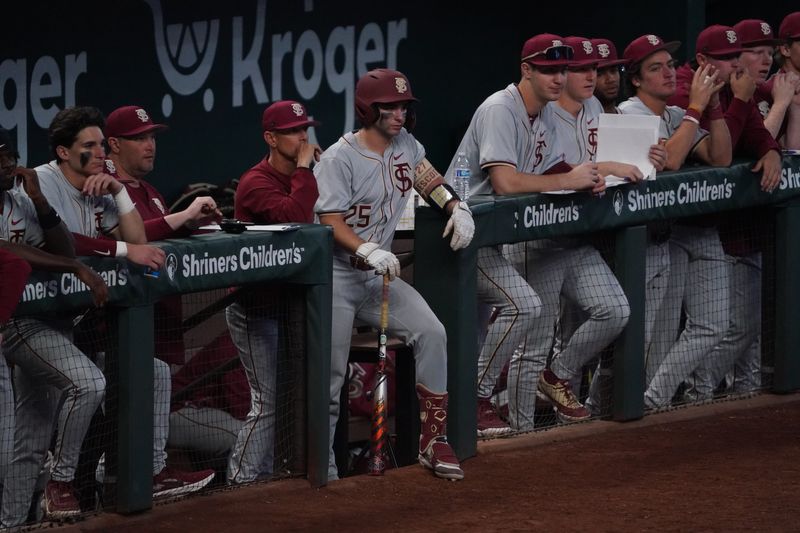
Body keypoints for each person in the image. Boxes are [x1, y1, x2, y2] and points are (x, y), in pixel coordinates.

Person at [34, 107, 213, 504]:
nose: (101, 153)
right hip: (33, 320)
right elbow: (61, 243)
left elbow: (137, 239)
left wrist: (118, 191)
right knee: (29, 438)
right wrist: (121, 249)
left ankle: (150, 473)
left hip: (73, 321)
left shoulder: (100, 186)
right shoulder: (42, 183)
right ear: (64, 152)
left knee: (154, 371)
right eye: (90, 146)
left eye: (101, 144)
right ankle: (43, 494)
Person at [315, 68, 474, 480]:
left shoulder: (406, 145)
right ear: (369, 108)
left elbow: (431, 181)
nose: (399, 113)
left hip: (377, 280)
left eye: (404, 106)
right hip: (336, 278)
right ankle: (323, 472)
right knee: (330, 381)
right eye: (390, 106)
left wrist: (455, 207)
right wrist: (366, 247)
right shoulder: (339, 157)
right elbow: (329, 219)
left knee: (433, 333)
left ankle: (433, 441)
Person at [447, 33, 608, 432]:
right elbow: (504, 181)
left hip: (491, 236)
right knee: (525, 306)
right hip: (457, 232)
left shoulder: (549, 113)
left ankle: (477, 401)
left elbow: (553, 172)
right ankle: (476, 397)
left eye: (562, 70)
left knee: (523, 310)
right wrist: (568, 179)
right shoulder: (501, 109)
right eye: (549, 70)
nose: (558, 79)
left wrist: (585, 179)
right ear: (527, 70)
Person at [544, 36, 668, 416]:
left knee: (614, 311)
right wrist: (608, 168)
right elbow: (552, 173)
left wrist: (645, 159)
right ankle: (519, 428)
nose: (591, 76)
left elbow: (600, 163)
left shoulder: (595, 106)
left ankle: (558, 380)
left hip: (579, 239)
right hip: (539, 238)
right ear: (562, 74)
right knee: (531, 341)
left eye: (594, 69)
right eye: (582, 69)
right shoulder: (546, 114)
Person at [0, 127, 109, 526]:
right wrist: (75, 267)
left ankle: (9, 525)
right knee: (90, 383)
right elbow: (9, 251)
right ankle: (60, 480)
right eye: (0, 156)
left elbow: (63, 247)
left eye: (9, 154)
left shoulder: (19, 200)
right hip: (14, 325)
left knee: (29, 441)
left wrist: (41, 201)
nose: (8, 163)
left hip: (41, 323)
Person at [619, 33, 733, 409]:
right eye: (656, 68)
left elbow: (719, 158)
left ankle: (649, 402)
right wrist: (696, 108)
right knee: (639, 334)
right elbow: (671, 160)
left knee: (659, 334)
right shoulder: (628, 112)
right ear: (636, 79)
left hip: (660, 238)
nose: (669, 73)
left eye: (670, 64)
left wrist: (712, 107)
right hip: (627, 243)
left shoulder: (670, 115)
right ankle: (612, 406)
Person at [224, 100, 322, 484]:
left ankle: (265, 474)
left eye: (304, 130)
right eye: (293, 131)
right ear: (270, 137)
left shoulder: (308, 173)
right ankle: (241, 480)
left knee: (290, 396)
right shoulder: (255, 182)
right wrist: (304, 170)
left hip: (290, 305)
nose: (302, 138)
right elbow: (294, 217)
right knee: (266, 399)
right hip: (254, 306)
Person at [592, 37, 629, 113]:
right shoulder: (578, 122)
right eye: (600, 74)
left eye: (613, 71)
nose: (611, 79)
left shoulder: (632, 119)